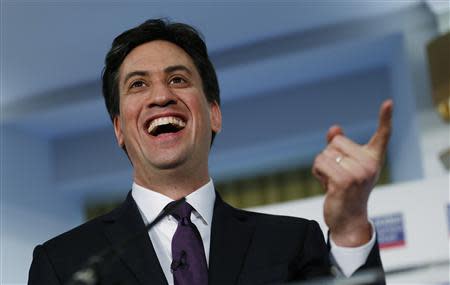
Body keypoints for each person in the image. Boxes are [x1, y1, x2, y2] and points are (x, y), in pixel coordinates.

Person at [28, 19, 392, 285]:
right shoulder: (65, 264)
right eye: (138, 84)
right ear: (120, 128)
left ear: (213, 113)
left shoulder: (291, 244)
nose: (160, 96)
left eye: (178, 79)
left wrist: (349, 229)